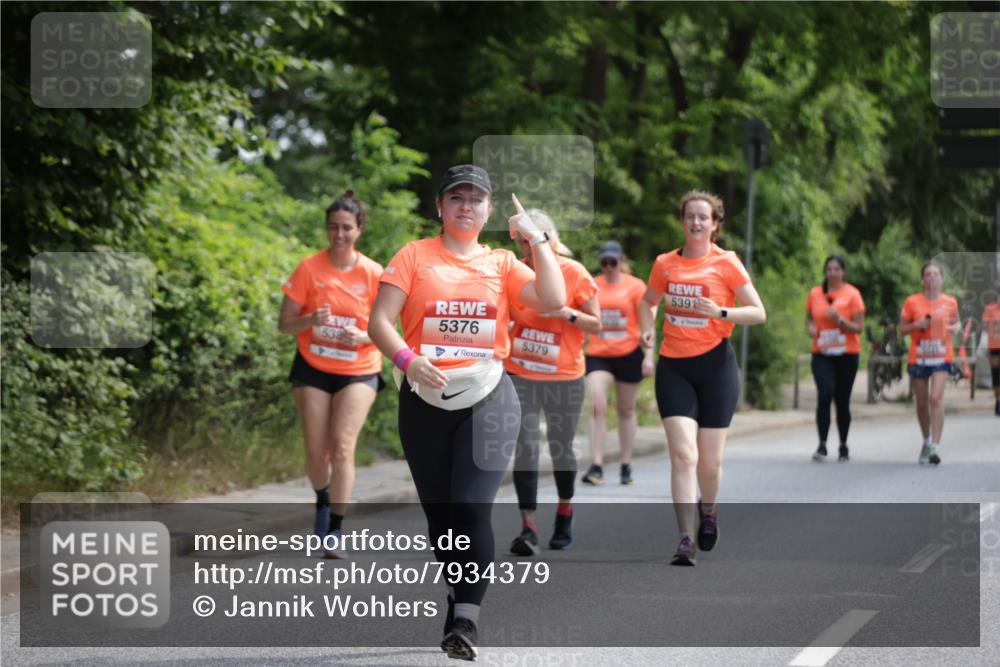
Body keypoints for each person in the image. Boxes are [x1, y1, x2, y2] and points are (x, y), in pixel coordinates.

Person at [368, 165, 566, 660]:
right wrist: (409, 362)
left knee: (472, 507)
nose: (465, 206)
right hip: (423, 398)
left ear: (489, 210)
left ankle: (465, 621)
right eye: (455, 197)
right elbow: (379, 322)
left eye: (475, 199)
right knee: (443, 523)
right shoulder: (414, 256)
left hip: (488, 396)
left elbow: (554, 299)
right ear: (440, 206)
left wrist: (538, 240)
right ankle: (458, 586)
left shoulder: (501, 262)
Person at [638, 190, 766, 566]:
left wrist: (722, 311)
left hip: (716, 368)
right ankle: (684, 538)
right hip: (674, 367)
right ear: (682, 221)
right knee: (683, 454)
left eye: (703, 217)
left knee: (709, 464)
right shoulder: (665, 264)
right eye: (690, 216)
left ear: (715, 224)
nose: (696, 223)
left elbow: (757, 312)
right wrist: (648, 332)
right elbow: (648, 303)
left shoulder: (726, 263)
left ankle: (708, 509)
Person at [278, 191, 384, 558]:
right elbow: (284, 325)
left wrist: (365, 334)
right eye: (332, 228)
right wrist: (310, 320)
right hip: (313, 367)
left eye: (346, 228)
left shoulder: (373, 274)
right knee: (316, 451)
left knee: (342, 445)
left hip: (359, 368)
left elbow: (390, 329)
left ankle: (335, 528)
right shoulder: (309, 269)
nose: (339, 235)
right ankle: (322, 497)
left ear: (359, 230)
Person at [506, 212, 600, 557]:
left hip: (564, 376)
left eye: (532, 240)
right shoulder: (516, 272)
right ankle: (527, 527)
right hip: (521, 372)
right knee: (526, 446)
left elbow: (596, 325)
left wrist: (565, 313)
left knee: (561, 447)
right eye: (522, 241)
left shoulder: (574, 273)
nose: (527, 248)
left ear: (548, 238)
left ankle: (564, 511)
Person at [581, 241, 654, 486]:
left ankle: (625, 464)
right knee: (597, 404)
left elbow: (647, 324)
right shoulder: (593, 285)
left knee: (626, 410)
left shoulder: (635, 286)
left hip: (628, 352)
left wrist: (649, 355)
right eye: (605, 262)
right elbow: (583, 317)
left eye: (613, 262)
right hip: (598, 353)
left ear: (621, 261)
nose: (609, 267)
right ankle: (597, 465)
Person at [899, 262, 961, 465]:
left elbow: (957, 322)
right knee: (923, 401)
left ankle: (935, 446)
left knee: (936, 398)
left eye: (936, 274)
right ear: (922, 279)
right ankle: (926, 440)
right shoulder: (912, 302)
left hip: (942, 356)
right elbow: (902, 329)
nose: (932, 278)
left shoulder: (950, 302)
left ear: (941, 279)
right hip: (919, 356)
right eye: (928, 274)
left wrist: (955, 328)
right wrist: (917, 324)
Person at [805, 255, 865, 462]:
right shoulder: (815, 293)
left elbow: (859, 327)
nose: (832, 273)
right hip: (822, 353)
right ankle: (822, 444)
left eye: (836, 269)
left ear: (843, 272)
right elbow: (810, 320)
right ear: (825, 272)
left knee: (842, 400)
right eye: (829, 269)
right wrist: (811, 329)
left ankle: (843, 444)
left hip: (847, 353)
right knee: (825, 394)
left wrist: (839, 320)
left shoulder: (853, 294)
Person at [983, 295, 1000, 417]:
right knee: (996, 374)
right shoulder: (990, 309)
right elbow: (985, 327)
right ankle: (998, 401)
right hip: (995, 344)